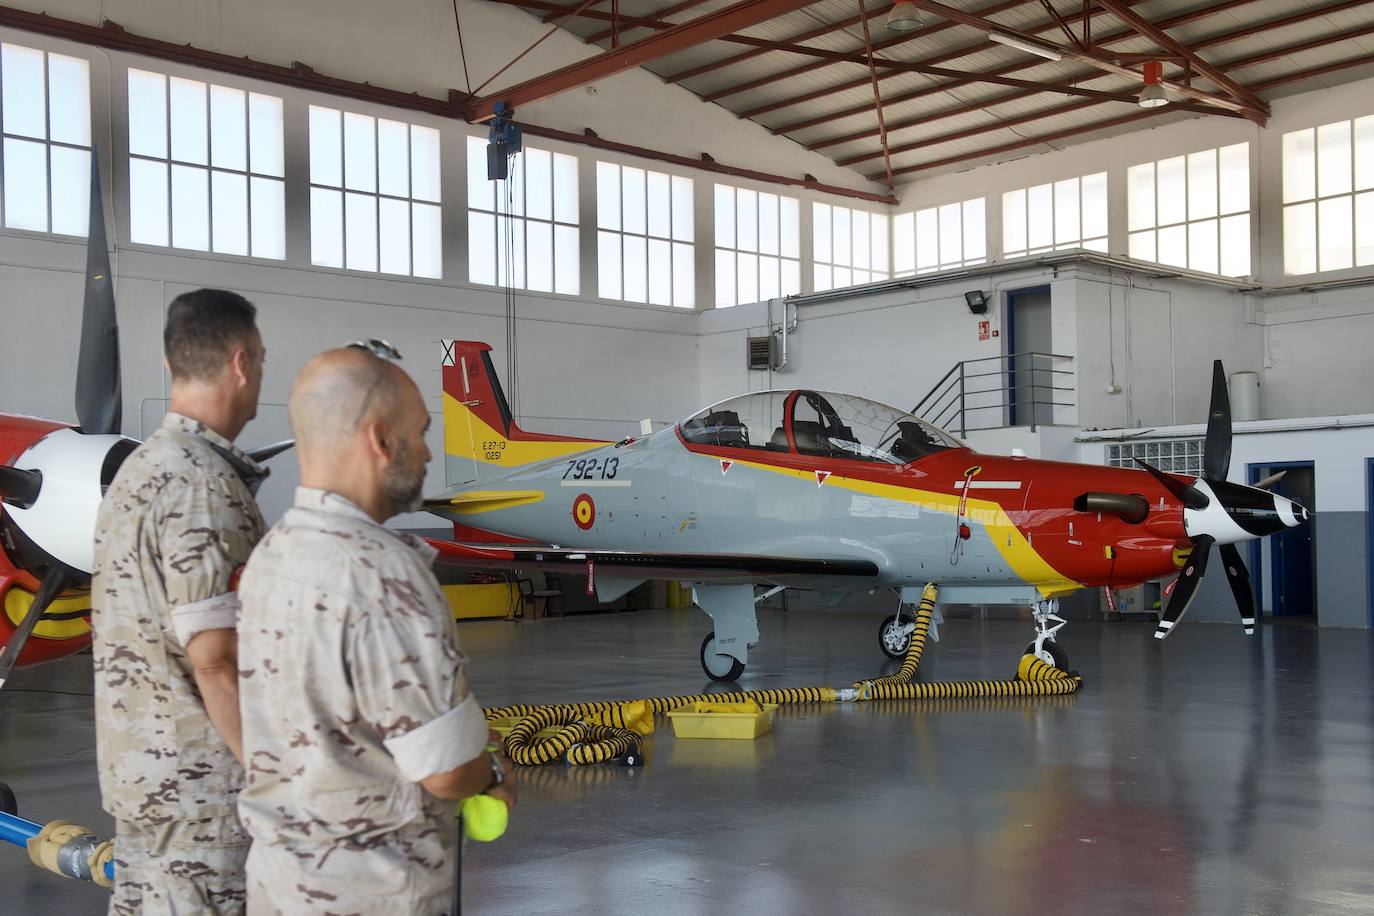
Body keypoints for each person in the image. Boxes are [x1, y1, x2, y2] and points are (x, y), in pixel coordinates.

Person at [236, 345, 515, 915]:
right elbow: (443, 769)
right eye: (421, 431)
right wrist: (492, 774)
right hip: (372, 893)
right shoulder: (383, 572)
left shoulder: (271, 554)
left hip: (279, 885)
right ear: (381, 439)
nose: (429, 451)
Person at [91, 288, 269, 914]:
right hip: (203, 799)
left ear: (171, 367)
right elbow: (216, 660)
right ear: (242, 362)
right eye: (262, 361)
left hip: (144, 781)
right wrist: (280, 785)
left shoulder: (139, 470)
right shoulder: (202, 484)